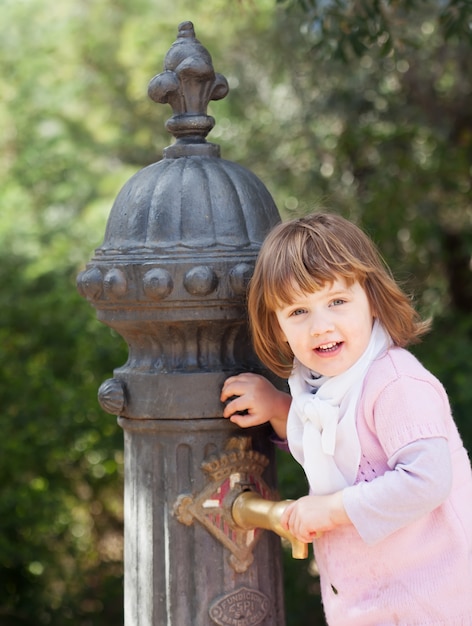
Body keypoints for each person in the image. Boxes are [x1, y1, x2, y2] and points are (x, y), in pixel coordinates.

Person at [221, 212, 472, 625]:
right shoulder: (317, 385)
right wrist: (280, 407)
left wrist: (330, 510)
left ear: (370, 298)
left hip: (434, 602)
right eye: (298, 311)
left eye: (337, 301)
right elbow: (329, 444)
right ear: (277, 326)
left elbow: (428, 479)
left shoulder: (395, 382)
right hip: (366, 600)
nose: (321, 326)